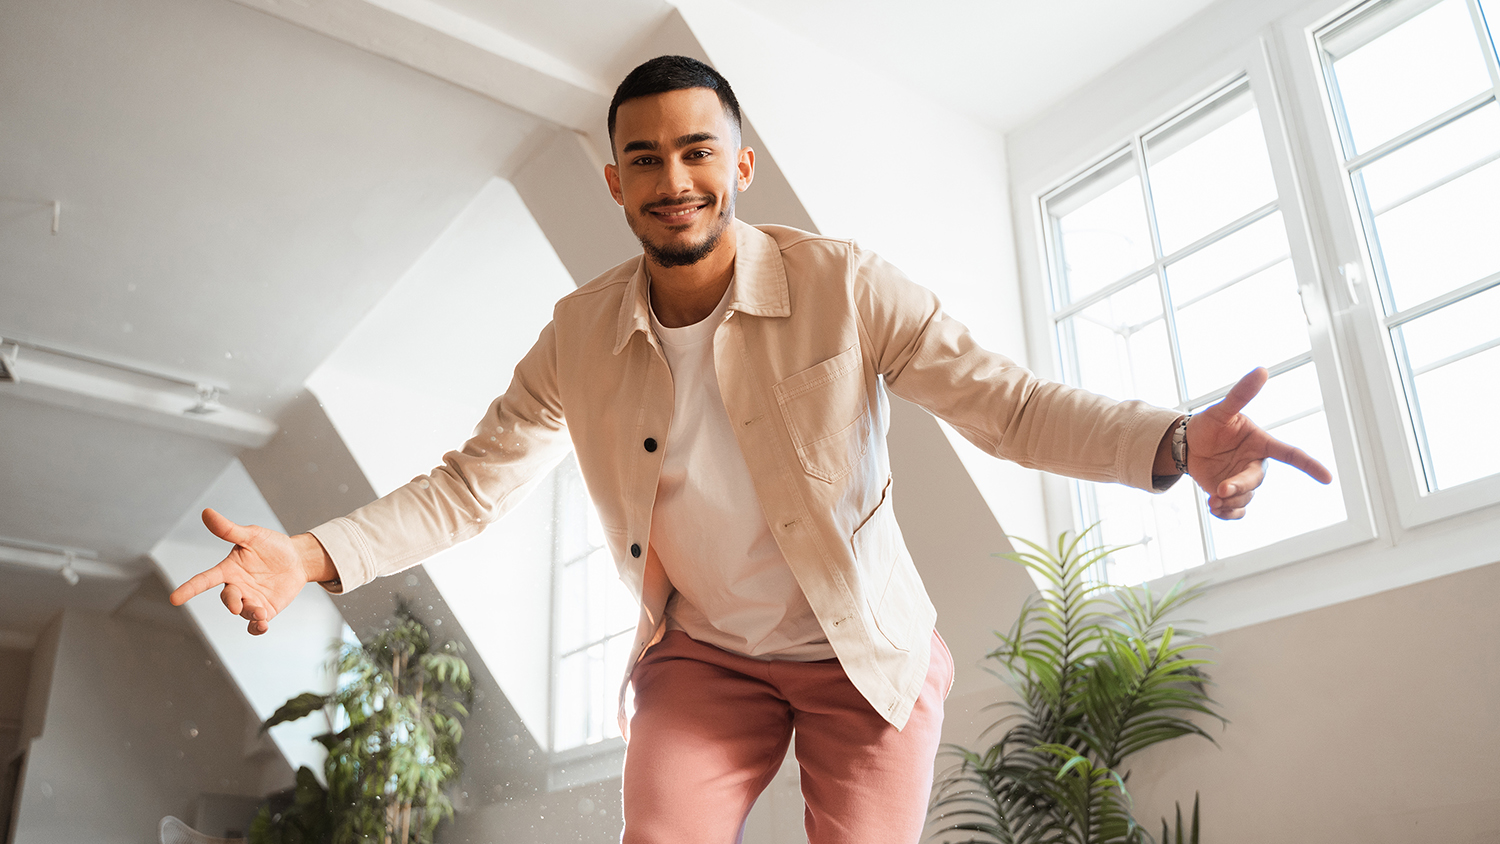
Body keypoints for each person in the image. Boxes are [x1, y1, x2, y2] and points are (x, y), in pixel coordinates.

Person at [170, 56, 1332, 844]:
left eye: (695, 152)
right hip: (704, 658)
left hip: (861, 656)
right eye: (645, 159)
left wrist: (1175, 438)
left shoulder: (849, 285)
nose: (672, 181)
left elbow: (1007, 406)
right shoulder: (576, 336)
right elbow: (470, 488)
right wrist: (312, 555)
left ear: (741, 163)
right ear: (615, 179)